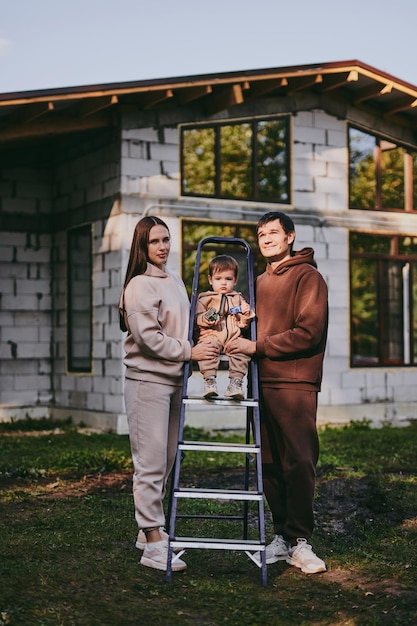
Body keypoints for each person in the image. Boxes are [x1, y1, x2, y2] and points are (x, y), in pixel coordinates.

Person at [226, 211, 328, 574]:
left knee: (298, 461)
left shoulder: (308, 277)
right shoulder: (258, 282)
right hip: (261, 383)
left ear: (290, 236)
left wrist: (257, 346)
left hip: (295, 383)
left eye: (273, 232)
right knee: (269, 463)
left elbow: (308, 333)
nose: (266, 238)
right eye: (261, 233)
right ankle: (282, 537)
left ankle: (301, 541)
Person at [119, 215, 219, 573]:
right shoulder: (139, 286)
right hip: (147, 382)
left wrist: (209, 323)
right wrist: (189, 351)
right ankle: (154, 545)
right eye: (155, 242)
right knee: (150, 464)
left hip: (175, 382)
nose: (163, 247)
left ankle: (146, 532)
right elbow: (148, 338)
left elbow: (183, 321)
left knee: (167, 460)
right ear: (142, 246)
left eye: (166, 239)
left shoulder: (174, 279)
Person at [195, 254, 255, 400]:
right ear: (210, 280)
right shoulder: (206, 298)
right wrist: (208, 318)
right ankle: (209, 381)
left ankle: (235, 383)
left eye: (228, 279)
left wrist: (245, 314)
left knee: (241, 351)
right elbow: (198, 318)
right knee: (207, 350)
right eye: (218, 279)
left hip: (232, 338)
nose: (223, 283)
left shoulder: (238, 299)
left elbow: (242, 324)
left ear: (235, 281)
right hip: (211, 336)